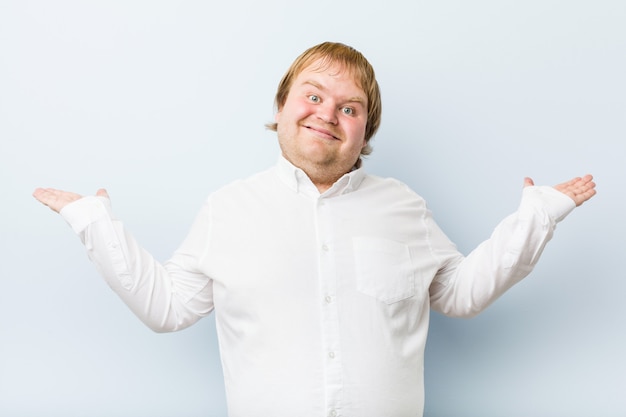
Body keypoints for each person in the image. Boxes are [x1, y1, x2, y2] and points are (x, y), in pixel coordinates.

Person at [33, 42, 596, 417]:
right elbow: (167, 309)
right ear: (281, 107)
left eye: (350, 108)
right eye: (313, 95)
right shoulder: (227, 208)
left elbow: (459, 294)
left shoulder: (405, 206)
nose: (328, 113)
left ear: (364, 132)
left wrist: (537, 216)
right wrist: (94, 224)